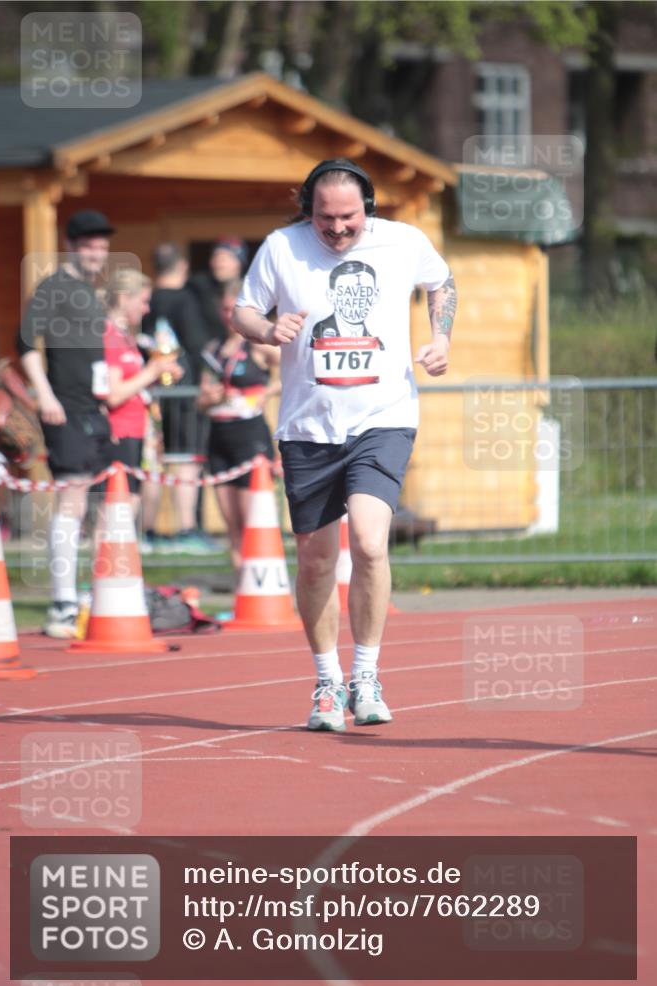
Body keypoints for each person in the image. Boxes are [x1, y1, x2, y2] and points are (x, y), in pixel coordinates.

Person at [234, 158, 457, 732]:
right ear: (308, 210)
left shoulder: (402, 242)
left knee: (369, 541)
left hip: (383, 419)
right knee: (315, 562)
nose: (336, 229)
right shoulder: (283, 247)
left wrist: (440, 338)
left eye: (348, 217)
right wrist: (267, 330)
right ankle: (327, 681)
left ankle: (366, 674)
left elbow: (442, 281)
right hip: (308, 429)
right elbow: (244, 310)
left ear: (369, 208)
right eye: (324, 218)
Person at [18, 209, 115, 638]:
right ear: (72, 245)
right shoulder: (53, 287)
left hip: (95, 411)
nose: (98, 251)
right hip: (66, 410)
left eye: (102, 244)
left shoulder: (90, 292)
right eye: (90, 244)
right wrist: (45, 395)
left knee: (98, 507)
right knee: (72, 501)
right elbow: (25, 343)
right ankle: (61, 603)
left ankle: (85, 599)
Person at [197, 281, 280, 573]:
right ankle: (241, 595)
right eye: (224, 309)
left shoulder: (257, 346)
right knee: (232, 526)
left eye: (235, 308)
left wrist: (264, 394)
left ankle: (264, 589)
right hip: (219, 435)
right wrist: (208, 398)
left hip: (249, 436)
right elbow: (201, 399)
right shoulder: (214, 348)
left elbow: (293, 372)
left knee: (252, 521)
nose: (228, 314)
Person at [143, 242, 216, 554]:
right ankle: (186, 528)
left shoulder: (147, 300)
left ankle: (148, 532)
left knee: (152, 461)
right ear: (182, 267)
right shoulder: (186, 300)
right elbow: (199, 346)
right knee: (187, 459)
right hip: (184, 391)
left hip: (150, 388)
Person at [103, 268, 182, 514]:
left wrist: (156, 376)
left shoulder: (126, 336)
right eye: (144, 301)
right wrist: (152, 371)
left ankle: (124, 553)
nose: (147, 309)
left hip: (136, 430)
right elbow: (113, 394)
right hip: (119, 432)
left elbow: (132, 383)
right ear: (124, 297)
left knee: (129, 508)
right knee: (114, 511)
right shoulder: (108, 334)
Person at [189, 238, 249, 338]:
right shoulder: (198, 290)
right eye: (216, 258)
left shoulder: (252, 293)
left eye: (224, 259)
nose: (219, 264)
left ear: (239, 263)